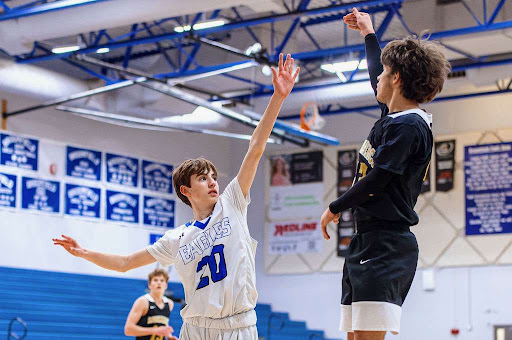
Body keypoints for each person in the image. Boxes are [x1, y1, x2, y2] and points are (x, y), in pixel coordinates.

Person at [53, 53, 299, 340]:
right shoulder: (176, 239)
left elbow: (255, 149)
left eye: (214, 177)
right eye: (203, 178)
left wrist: (277, 99)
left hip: (237, 327)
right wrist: (83, 253)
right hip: (194, 328)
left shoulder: (232, 204)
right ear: (186, 190)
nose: (213, 183)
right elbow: (124, 263)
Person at [320, 8, 450, 340]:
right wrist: (368, 33)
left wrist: (335, 207)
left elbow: (379, 179)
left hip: (386, 245)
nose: (376, 77)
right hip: (366, 240)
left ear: (396, 79)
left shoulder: (411, 126)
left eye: (384, 74)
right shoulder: (395, 117)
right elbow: (377, 70)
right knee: (353, 336)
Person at [124, 268, 178, 340]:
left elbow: (163, 323)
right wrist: (154, 331)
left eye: (162, 280)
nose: (159, 283)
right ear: (149, 284)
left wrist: (169, 336)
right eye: (155, 280)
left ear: (166, 285)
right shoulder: (142, 301)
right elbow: (128, 330)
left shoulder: (169, 303)